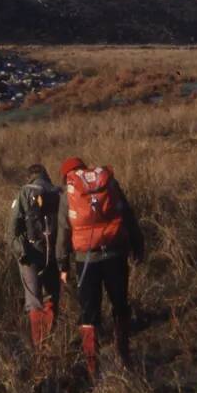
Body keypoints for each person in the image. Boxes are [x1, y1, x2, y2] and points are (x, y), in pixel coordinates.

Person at [56, 157, 144, 378]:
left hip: (86, 259)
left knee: (89, 313)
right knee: (120, 306)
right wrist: (137, 246)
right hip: (115, 253)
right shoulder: (109, 183)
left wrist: (63, 264)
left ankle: (92, 367)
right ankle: (124, 357)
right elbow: (128, 215)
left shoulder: (69, 192)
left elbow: (63, 232)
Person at [7, 163, 61, 352]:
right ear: (46, 175)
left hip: (29, 254)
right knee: (51, 297)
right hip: (53, 252)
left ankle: (40, 348)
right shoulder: (57, 192)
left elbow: (12, 229)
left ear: (29, 176)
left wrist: (19, 251)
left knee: (34, 301)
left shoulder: (24, 192)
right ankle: (51, 343)